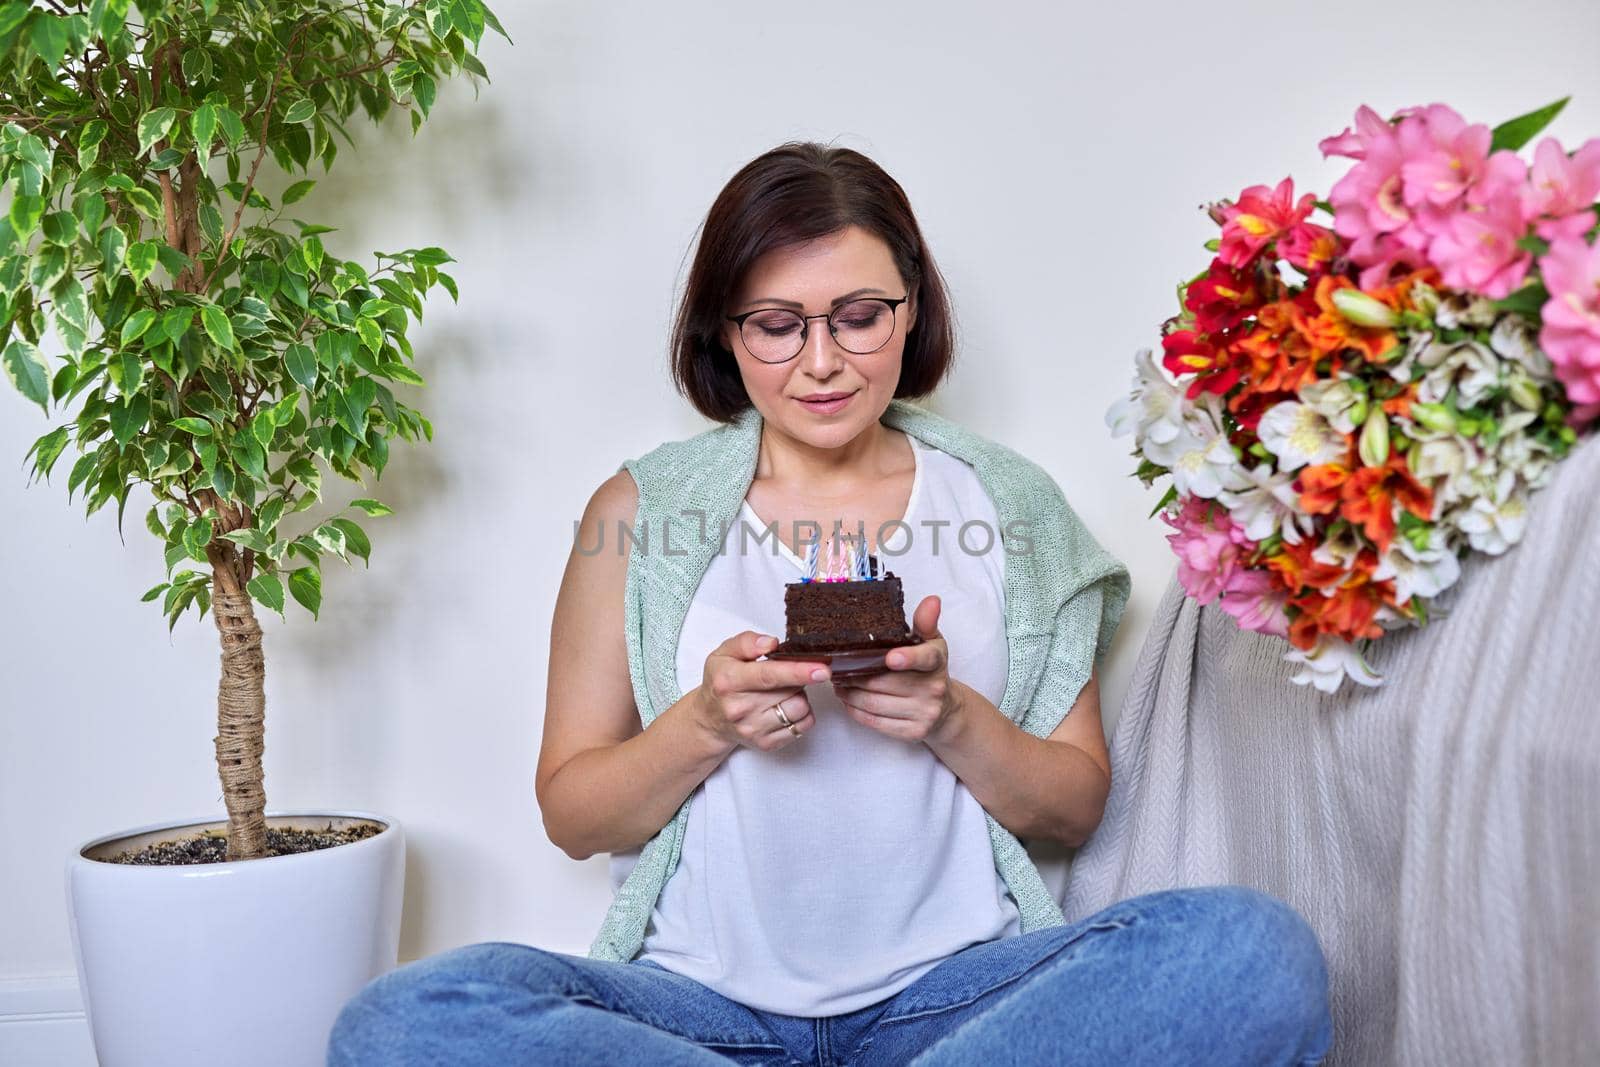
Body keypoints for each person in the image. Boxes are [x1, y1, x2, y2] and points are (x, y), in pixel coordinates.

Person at [327, 143, 1333, 1066]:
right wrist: (704, 724)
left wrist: (952, 718)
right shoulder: (640, 510)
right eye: (776, 324)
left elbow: (1073, 803)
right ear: (723, 331)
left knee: (1249, 950)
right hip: (695, 1012)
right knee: (405, 1020)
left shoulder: (1008, 506)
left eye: (859, 315)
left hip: (957, 1006)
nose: (821, 360)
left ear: (911, 309)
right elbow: (573, 811)